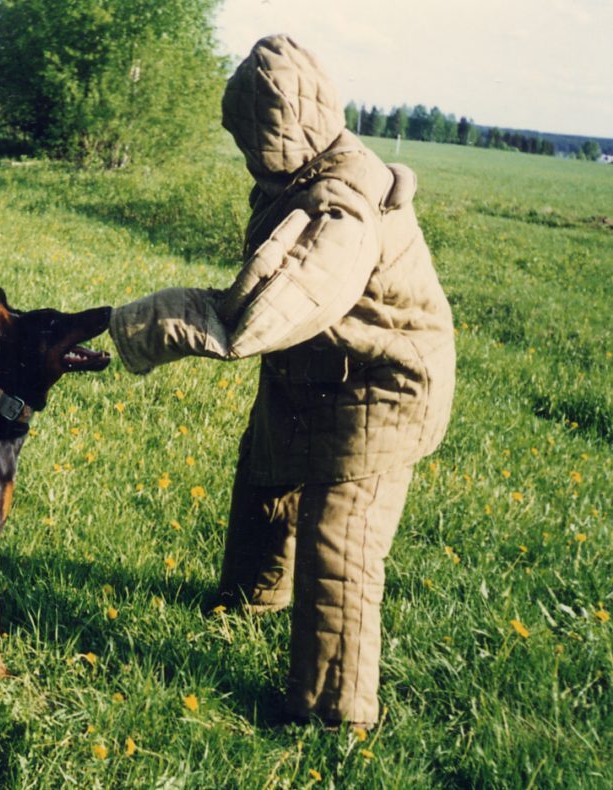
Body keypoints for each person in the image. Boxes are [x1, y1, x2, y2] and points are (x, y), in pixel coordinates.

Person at [107, 35, 456, 728]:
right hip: (321, 369)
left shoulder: (342, 207)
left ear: (283, 127)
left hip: (384, 385)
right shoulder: (301, 177)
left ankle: (332, 714)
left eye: (250, 137)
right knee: (266, 473)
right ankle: (252, 600)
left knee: (339, 540)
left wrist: (154, 324)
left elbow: (273, 307)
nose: (245, 154)